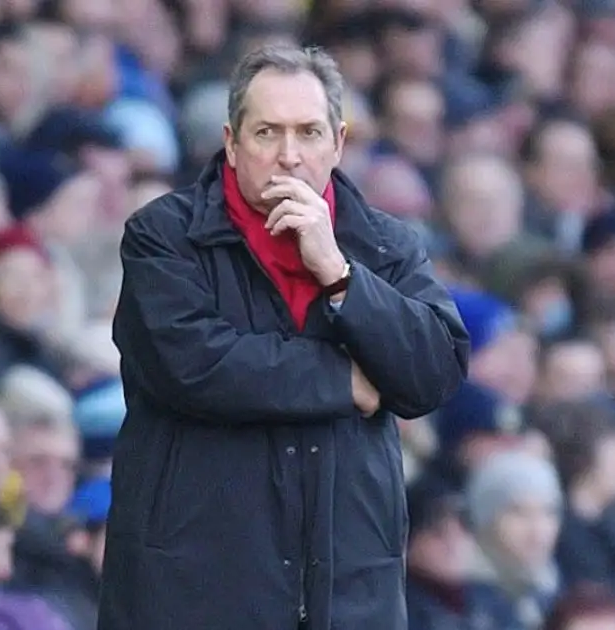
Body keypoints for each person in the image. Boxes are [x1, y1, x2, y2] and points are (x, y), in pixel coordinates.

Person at [98, 44, 469, 630]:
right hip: (194, 593)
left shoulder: (382, 244)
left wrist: (341, 276)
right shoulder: (163, 236)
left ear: (338, 143)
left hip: (350, 594)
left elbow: (435, 371)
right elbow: (195, 367)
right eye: (267, 132)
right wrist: (346, 379)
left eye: (309, 132)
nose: (289, 155)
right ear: (231, 141)